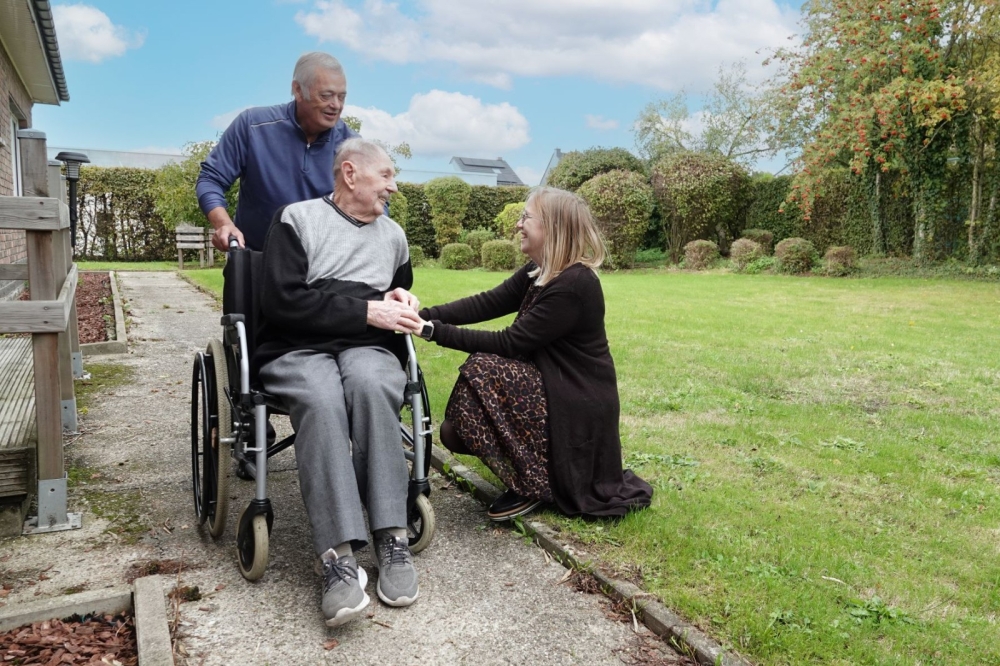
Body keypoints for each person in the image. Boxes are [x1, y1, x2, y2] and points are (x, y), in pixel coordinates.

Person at [255, 138, 421, 627]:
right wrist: (367, 309)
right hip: (296, 346)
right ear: (350, 174)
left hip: (367, 348)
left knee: (373, 385)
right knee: (323, 397)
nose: (394, 185)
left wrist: (401, 298)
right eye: (386, 175)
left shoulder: (394, 236)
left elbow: (400, 289)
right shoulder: (297, 219)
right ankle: (337, 556)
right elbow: (282, 303)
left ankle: (391, 537)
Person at [410, 187, 653, 521]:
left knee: (484, 368)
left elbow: (511, 342)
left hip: (575, 400)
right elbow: (487, 303)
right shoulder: (538, 271)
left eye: (526, 217)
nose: (518, 225)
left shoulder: (574, 284)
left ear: (552, 228)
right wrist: (422, 316)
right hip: (550, 385)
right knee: (454, 430)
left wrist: (433, 332)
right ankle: (533, 475)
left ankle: (539, 484)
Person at [196, 52, 358, 252]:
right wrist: (224, 224)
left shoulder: (353, 147)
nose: (336, 105)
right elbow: (210, 179)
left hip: (323, 269)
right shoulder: (252, 126)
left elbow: (374, 201)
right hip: (256, 262)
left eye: (341, 97)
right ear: (298, 90)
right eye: (326, 96)